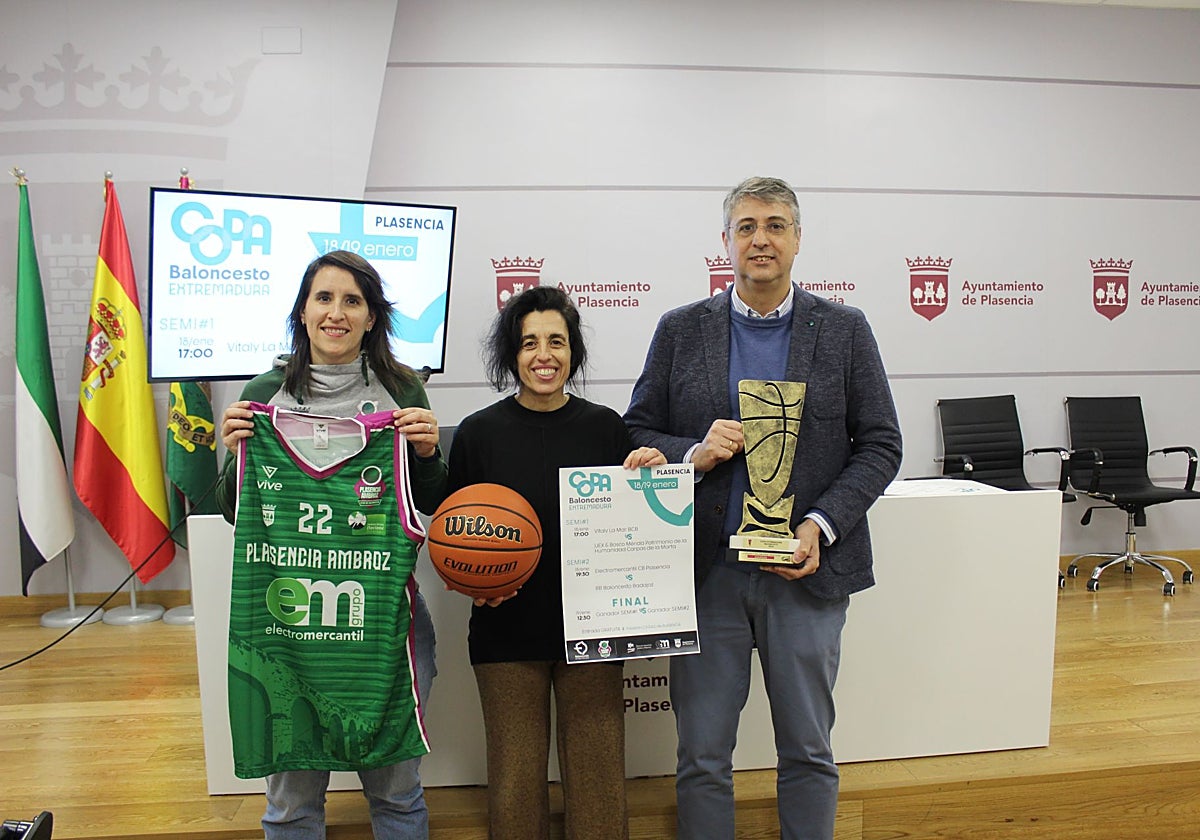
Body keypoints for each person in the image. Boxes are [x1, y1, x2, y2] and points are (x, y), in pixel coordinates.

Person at [623, 177, 903, 840]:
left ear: (798, 240)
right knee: (701, 757)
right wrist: (696, 451)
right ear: (725, 242)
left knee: (807, 751)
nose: (761, 239)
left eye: (776, 225)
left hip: (805, 574)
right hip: (706, 576)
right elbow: (635, 431)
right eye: (746, 226)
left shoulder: (844, 330)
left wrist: (820, 525)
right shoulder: (680, 329)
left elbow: (883, 443)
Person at [215, 249, 448, 840]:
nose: (336, 313)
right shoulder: (267, 391)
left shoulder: (402, 389)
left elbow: (429, 503)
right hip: (286, 626)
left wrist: (425, 452)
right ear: (303, 311)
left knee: (397, 793)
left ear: (372, 317)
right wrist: (235, 452)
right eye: (324, 298)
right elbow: (232, 510)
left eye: (352, 301)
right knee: (291, 803)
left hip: (381, 621)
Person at [445, 285, 664, 840]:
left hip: (592, 630)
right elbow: (452, 535)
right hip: (504, 630)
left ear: (574, 352)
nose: (544, 355)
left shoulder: (607, 428)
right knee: (515, 780)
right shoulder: (477, 433)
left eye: (557, 342)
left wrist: (651, 471)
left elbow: (633, 526)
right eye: (529, 343)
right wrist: (473, 584)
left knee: (598, 779)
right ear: (511, 355)